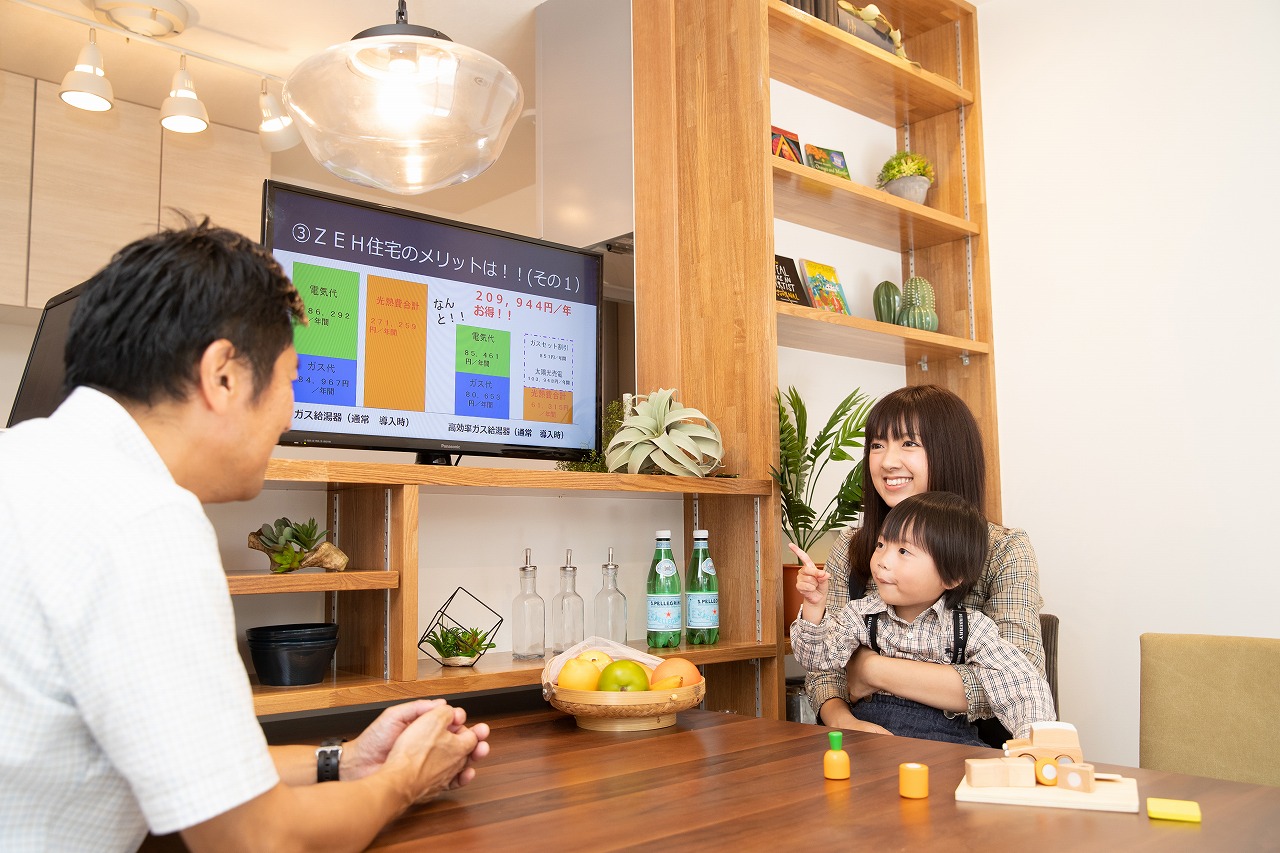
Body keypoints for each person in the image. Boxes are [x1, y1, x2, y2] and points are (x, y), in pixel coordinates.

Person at [0, 220, 490, 852]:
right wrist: (404, 780)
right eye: (290, 379)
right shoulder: (145, 521)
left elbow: (185, 763)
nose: (290, 411)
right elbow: (256, 842)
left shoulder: (30, 460)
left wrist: (345, 760)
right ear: (223, 375)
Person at [801, 384, 1045, 744]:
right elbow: (823, 670)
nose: (886, 461)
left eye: (908, 443)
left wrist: (870, 668)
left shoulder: (1003, 549)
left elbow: (1018, 679)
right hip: (860, 740)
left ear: (950, 452)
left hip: (967, 753)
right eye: (877, 445)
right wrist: (847, 723)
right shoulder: (853, 548)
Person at [791, 492, 1055, 745]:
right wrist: (814, 609)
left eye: (903, 551)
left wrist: (1038, 741)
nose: (882, 560)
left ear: (950, 577)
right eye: (881, 544)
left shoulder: (971, 628)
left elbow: (1020, 682)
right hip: (872, 739)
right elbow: (817, 660)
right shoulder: (861, 615)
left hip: (948, 746)